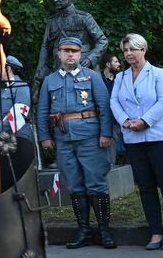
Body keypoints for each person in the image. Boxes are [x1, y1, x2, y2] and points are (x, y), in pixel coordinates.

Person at [36, 37, 115, 249]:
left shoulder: (92, 76)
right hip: (63, 141)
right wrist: (44, 137)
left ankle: (105, 231)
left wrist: (106, 134)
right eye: (66, 51)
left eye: (74, 51)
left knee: (96, 184)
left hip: (91, 139)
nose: (70, 54)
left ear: (80, 54)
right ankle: (84, 231)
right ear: (59, 54)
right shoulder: (50, 81)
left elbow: (104, 107)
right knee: (74, 186)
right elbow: (42, 111)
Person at [110, 33, 163, 251]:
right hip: (133, 139)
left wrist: (144, 121)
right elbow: (114, 101)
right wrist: (125, 121)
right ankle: (155, 232)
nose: (128, 53)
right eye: (125, 50)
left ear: (143, 50)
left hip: (159, 137)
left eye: (132, 49)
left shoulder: (158, 73)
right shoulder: (121, 77)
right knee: (145, 187)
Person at [33, 0, 108, 92]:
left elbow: (102, 41)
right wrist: (40, 70)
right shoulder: (52, 21)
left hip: (84, 68)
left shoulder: (84, 18)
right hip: (60, 70)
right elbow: (45, 46)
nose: (55, 0)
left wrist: (90, 59)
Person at [0, 55, 33, 140]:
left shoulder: (21, 86)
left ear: (8, 69)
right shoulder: (1, 90)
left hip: (20, 136)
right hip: (4, 137)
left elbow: (19, 114)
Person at [99, 53, 125, 165]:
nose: (119, 64)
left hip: (120, 121)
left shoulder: (121, 80)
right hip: (105, 122)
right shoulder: (98, 80)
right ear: (108, 64)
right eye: (116, 62)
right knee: (109, 156)